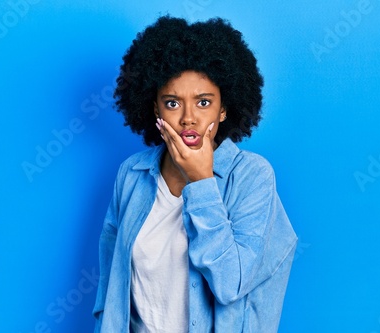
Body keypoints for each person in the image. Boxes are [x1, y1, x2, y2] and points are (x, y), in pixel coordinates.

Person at [93, 15, 298, 333]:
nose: (188, 118)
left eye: (203, 102)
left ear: (224, 108)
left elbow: (231, 285)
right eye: (172, 103)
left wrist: (202, 181)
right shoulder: (131, 174)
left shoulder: (252, 177)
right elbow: (111, 286)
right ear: (155, 109)